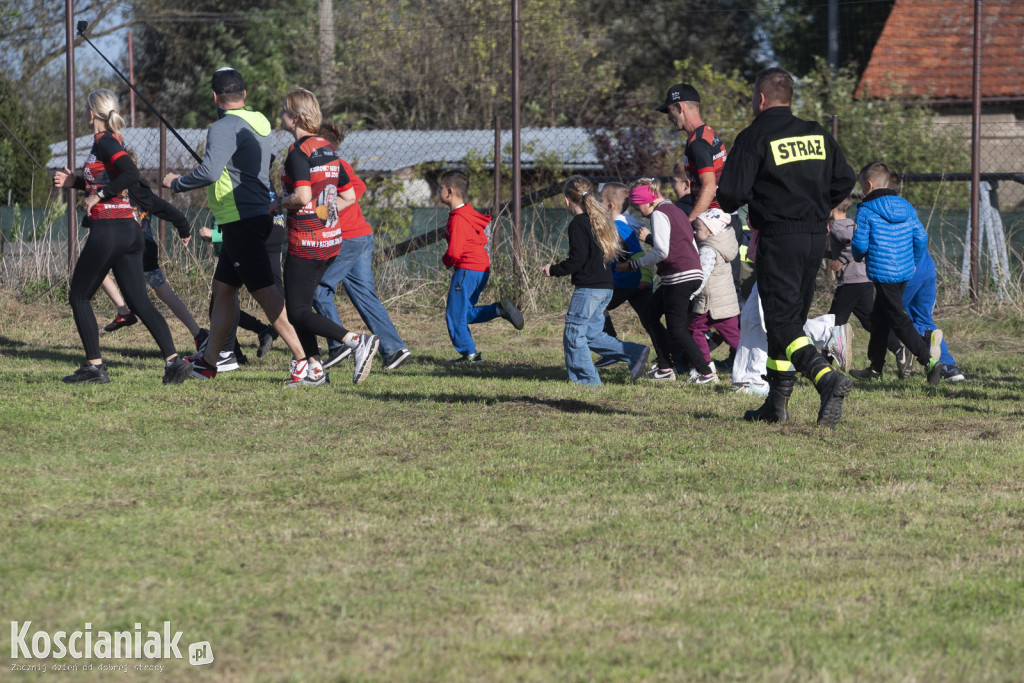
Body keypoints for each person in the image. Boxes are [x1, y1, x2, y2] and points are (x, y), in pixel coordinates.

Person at [717, 67, 857, 427]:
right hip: (815, 237)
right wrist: (816, 204)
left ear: (760, 99)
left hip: (779, 237)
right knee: (789, 321)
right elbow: (846, 178)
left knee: (780, 324)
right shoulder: (816, 133)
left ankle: (827, 379)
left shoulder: (754, 135)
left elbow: (730, 195)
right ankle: (776, 404)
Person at [163, 67, 307, 382]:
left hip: (240, 218)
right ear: (244, 94)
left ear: (215, 97)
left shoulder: (222, 128)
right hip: (245, 217)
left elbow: (210, 173)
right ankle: (210, 361)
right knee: (224, 291)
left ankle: (304, 360)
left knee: (265, 293)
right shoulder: (261, 122)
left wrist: (176, 183)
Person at [52, 89, 191, 385]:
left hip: (110, 230)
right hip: (128, 232)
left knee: (79, 296)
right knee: (139, 301)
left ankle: (94, 367)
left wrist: (99, 195)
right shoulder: (110, 141)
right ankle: (175, 363)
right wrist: (75, 182)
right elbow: (107, 178)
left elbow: (130, 173)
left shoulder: (105, 141)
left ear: (91, 114)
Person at [272, 88, 379, 386]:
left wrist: (278, 204)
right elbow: (347, 196)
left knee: (297, 311)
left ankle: (356, 341)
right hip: (331, 241)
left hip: (305, 243)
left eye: (284, 110)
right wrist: (324, 214)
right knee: (301, 305)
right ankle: (315, 370)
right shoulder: (328, 150)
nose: (281, 115)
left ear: (295, 117)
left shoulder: (298, 151)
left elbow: (302, 195)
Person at [311, 120, 411, 372]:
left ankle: (338, 344)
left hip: (348, 238)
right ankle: (394, 348)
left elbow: (358, 187)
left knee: (319, 289)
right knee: (365, 295)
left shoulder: (328, 162)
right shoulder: (336, 162)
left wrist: (325, 213)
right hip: (361, 236)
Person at [543, 176, 649, 386]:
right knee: (591, 335)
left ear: (567, 200)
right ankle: (635, 353)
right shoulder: (600, 221)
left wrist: (553, 269)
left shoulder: (578, 224)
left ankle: (587, 382)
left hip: (589, 290)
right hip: (605, 288)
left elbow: (577, 260)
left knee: (574, 334)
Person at [847, 160, 944, 385]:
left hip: (883, 274)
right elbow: (921, 238)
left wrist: (858, 256)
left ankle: (929, 361)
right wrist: (913, 261)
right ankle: (875, 368)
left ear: (868, 185)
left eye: (861, 186)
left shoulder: (866, 210)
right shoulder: (907, 207)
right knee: (879, 317)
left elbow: (860, 244)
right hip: (904, 272)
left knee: (898, 319)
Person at [617, 178, 716, 384]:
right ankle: (665, 367)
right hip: (684, 274)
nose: (637, 211)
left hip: (680, 276)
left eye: (637, 206)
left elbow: (662, 251)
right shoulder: (676, 211)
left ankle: (706, 372)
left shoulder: (660, 213)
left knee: (677, 328)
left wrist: (634, 265)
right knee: (649, 314)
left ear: (648, 200)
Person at [437, 170, 523, 363]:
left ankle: (470, 355)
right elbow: (479, 238)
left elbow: (455, 251)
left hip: (466, 270)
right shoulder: (467, 212)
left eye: (440, 188)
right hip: (480, 270)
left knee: (454, 313)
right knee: (464, 313)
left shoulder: (458, 218)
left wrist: (446, 261)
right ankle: (499, 310)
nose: (438, 191)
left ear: (449, 191)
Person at [593, 182, 665, 373]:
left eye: (601, 200)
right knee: (650, 320)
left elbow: (637, 254)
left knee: (596, 307)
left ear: (610, 206)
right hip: (635, 282)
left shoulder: (618, 226)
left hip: (629, 281)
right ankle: (672, 356)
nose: (598, 203)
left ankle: (611, 348)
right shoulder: (621, 223)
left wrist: (646, 277)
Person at [657, 84, 727, 222]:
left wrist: (690, 223)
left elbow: (709, 186)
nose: (669, 117)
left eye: (669, 111)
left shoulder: (698, 142)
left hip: (713, 223)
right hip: (720, 219)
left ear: (679, 107)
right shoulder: (707, 133)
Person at [688, 209, 741, 374]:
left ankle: (705, 367)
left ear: (711, 232)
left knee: (695, 330)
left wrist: (690, 293)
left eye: (698, 229)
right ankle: (756, 363)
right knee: (734, 337)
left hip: (710, 303)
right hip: (726, 301)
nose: (695, 232)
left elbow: (701, 277)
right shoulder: (724, 246)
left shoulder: (707, 251)